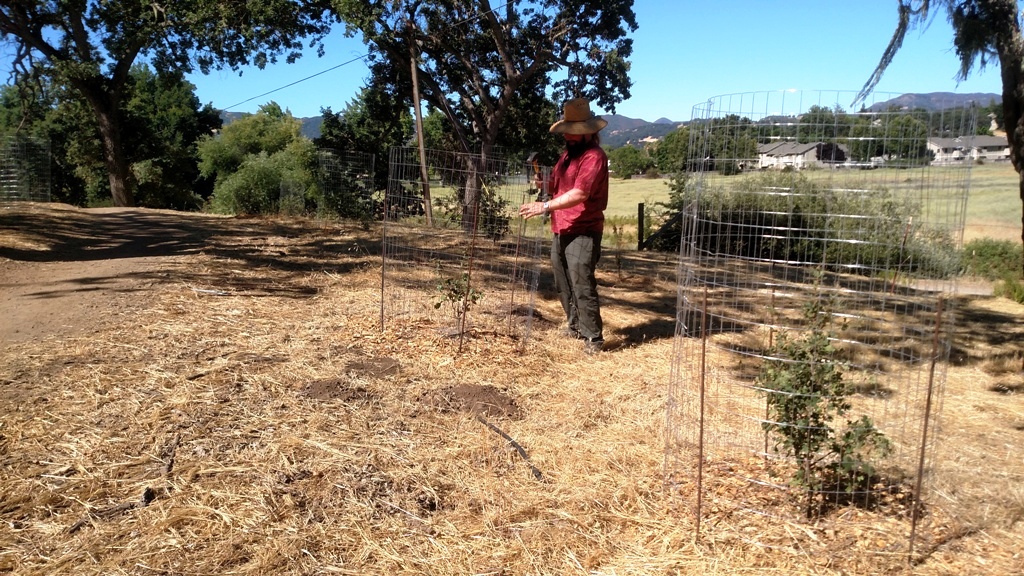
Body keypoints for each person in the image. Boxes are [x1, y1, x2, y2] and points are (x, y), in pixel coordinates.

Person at [519, 98, 609, 354]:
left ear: (589, 132)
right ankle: (574, 326)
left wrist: (544, 207)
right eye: (567, 130)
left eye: (575, 131)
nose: (569, 135)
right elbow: (558, 187)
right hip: (561, 227)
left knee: (581, 282)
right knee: (562, 281)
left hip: (584, 228)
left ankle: (593, 338)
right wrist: (543, 183)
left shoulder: (594, 157)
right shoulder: (566, 157)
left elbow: (580, 193)